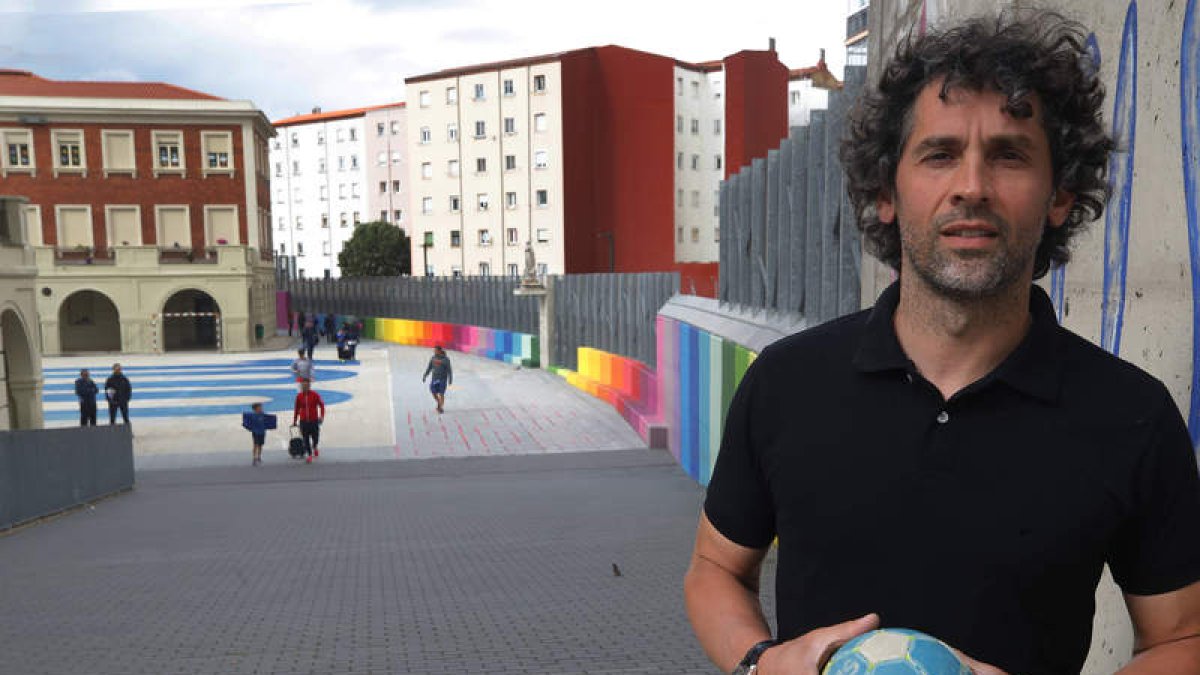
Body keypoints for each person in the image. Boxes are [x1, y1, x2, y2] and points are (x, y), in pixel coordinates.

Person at [684, 11, 1200, 675]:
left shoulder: (1130, 415)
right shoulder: (786, 383)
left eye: (1009, 155)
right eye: (940, 154)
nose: (972, 187)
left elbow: (1183, 639)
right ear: (886, 192)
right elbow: (715, 568)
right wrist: (760, 664)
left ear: (1059, 197)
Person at [292, 378, 324, 464]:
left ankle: (315, 446)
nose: (305, 387)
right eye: (303, 385)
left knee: (315, 437)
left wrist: (321, 416)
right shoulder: (299, 396)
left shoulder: (315, 395)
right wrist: (295, 420)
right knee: (305, 439)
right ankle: (309, 455)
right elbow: (296, 409)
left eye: (306, 385)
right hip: (303, 421)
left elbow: (321, 405)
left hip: (314, 420)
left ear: (309, 386)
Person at [241, 402, 276, 467]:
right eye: (259, 407)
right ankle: (254, 458)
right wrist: (247, 425)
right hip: (255, 432)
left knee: (260, 445)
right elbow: (247, 420)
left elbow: (268, 420)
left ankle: (259, 457)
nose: (261, 408)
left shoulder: (263, 415)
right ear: (255, 409)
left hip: (262, 432)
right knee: (255, 444)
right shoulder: (252, 415)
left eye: (261, 407)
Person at [421, 345, 453, 414]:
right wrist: (425, 375)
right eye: (434, 350)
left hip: (442, 379)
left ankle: (440, 407)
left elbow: (449, 370)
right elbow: (429, 368)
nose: (434, 352)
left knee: (441, 393)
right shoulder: (433, 358)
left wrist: (450, 379)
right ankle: (439, 402)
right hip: (435, 379)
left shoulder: (446, 360)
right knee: (433, 392)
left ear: (440, 351)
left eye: (435, 350)